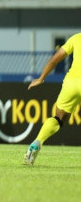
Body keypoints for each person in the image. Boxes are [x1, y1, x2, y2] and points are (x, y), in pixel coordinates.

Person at [25, 32, 81, 165]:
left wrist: (41, 78)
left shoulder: (76, 38)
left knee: (58, 118)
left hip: (71, 83)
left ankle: (37, 142)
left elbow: (54, 60)